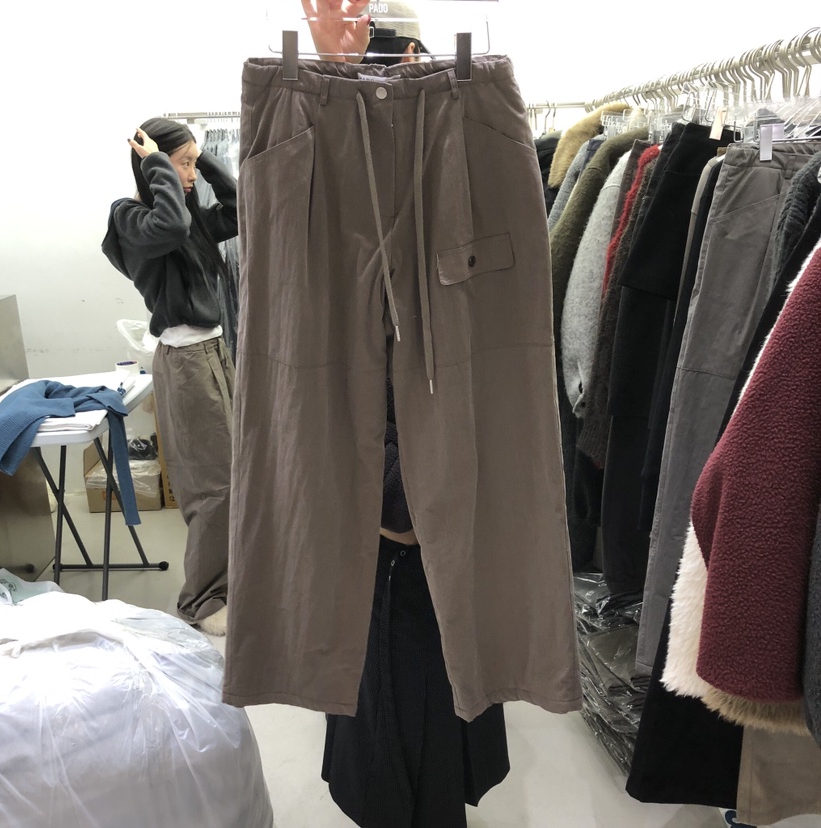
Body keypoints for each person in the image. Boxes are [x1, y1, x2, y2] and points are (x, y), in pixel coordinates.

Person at [303, 4, 511, 826]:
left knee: (428, 692)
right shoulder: (349, 194)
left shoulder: (465, 166)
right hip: (391, 516)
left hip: (436, 497)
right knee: (394, 701)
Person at [101, 117, 237, 636]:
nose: (190, 175)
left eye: (191, 165)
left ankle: (230, 582)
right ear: (150, 164)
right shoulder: (130, 218)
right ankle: (201, 601)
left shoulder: (188, 215)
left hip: (213, 353)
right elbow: (172, 227)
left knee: (235, 478)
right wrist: (160, 161)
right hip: (186, 362)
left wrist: (200, 158)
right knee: (212, 489)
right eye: (183, 164)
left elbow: (239, 211)